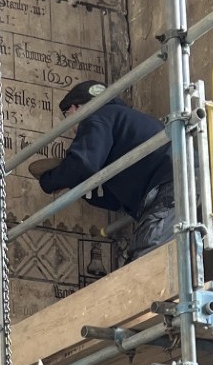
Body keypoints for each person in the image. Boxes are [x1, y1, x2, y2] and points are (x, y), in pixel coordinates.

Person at [34, 80, 175, 262]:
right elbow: (115, 200)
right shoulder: (121, 123)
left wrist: (49, 181)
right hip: (179, 187)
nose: (72, 130)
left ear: (76, 107)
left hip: (169, 191)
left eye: (67, 115)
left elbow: (83, 163)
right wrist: (75, 185)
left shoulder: (97, 116)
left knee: (144, 266)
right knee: (172, 265)